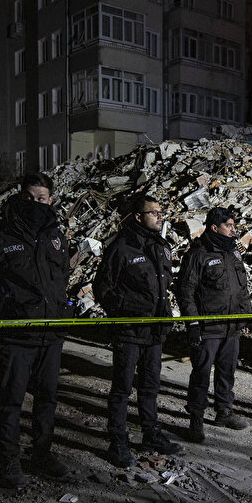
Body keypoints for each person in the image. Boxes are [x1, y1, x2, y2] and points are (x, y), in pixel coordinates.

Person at [0, 173, 72, 488]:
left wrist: (59, 308)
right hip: (15, 336)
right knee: (12, 399)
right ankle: (9, 458)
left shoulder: (56, 235)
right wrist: (4, 313)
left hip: (50, 335)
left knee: (47, 398)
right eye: (30, 197)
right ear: (21, 197)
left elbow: (61, 278)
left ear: (51, 200)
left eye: (42, 198)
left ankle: (41, 452)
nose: (36, 203)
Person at [92, 195, 182, 468]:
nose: (159, 216)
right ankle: (117, 441)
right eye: (153, 212)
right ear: (138, 217)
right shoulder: (121, 248)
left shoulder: (161, 247)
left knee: (150, 387)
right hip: (130, 330)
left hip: (155, 331)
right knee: (122, 389)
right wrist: (125, 311)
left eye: (160, 211)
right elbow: (102, 289)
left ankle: (150, 433)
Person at [176, 206, 252, 441]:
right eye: (228, 226)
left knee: (226, 371)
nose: (233, 230)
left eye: (233, 225)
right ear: (214, 227)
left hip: (231, 327)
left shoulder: (232, 253)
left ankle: (224, 411)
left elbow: (242, 289)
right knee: (201, 374)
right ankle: (196, 419)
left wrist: (246, 314)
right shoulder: (198, 254)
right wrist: (193, 325)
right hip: (208, 329)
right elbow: (185, 292)